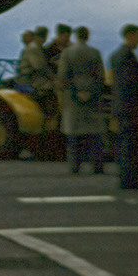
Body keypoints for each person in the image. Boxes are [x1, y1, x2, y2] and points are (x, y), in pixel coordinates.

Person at [55, 26, 106, 174]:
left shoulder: (67, 52)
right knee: (94, 133)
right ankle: (97, 166)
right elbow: (100, 76)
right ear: (88, 36)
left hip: (73, 97)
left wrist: (75, 91)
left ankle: (74, 166)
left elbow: (63, 75)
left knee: (73, 134)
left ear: (76, 36)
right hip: (93, 97)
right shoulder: (95, 52)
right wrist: (91, 92)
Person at [109, 24, 138, 190]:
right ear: (131, 35)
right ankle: (130, 180)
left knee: (126, 143)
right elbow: (133, 83)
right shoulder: (126, 56)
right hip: (132, 106)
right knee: (132, 145)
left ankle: (128, 178)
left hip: (123, 106)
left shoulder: (116, 55)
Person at [16, 29, 50, 94]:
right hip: (28, 82)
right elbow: (39, 67)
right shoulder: (33, 48)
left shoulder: (35, 48)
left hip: (28, 81)